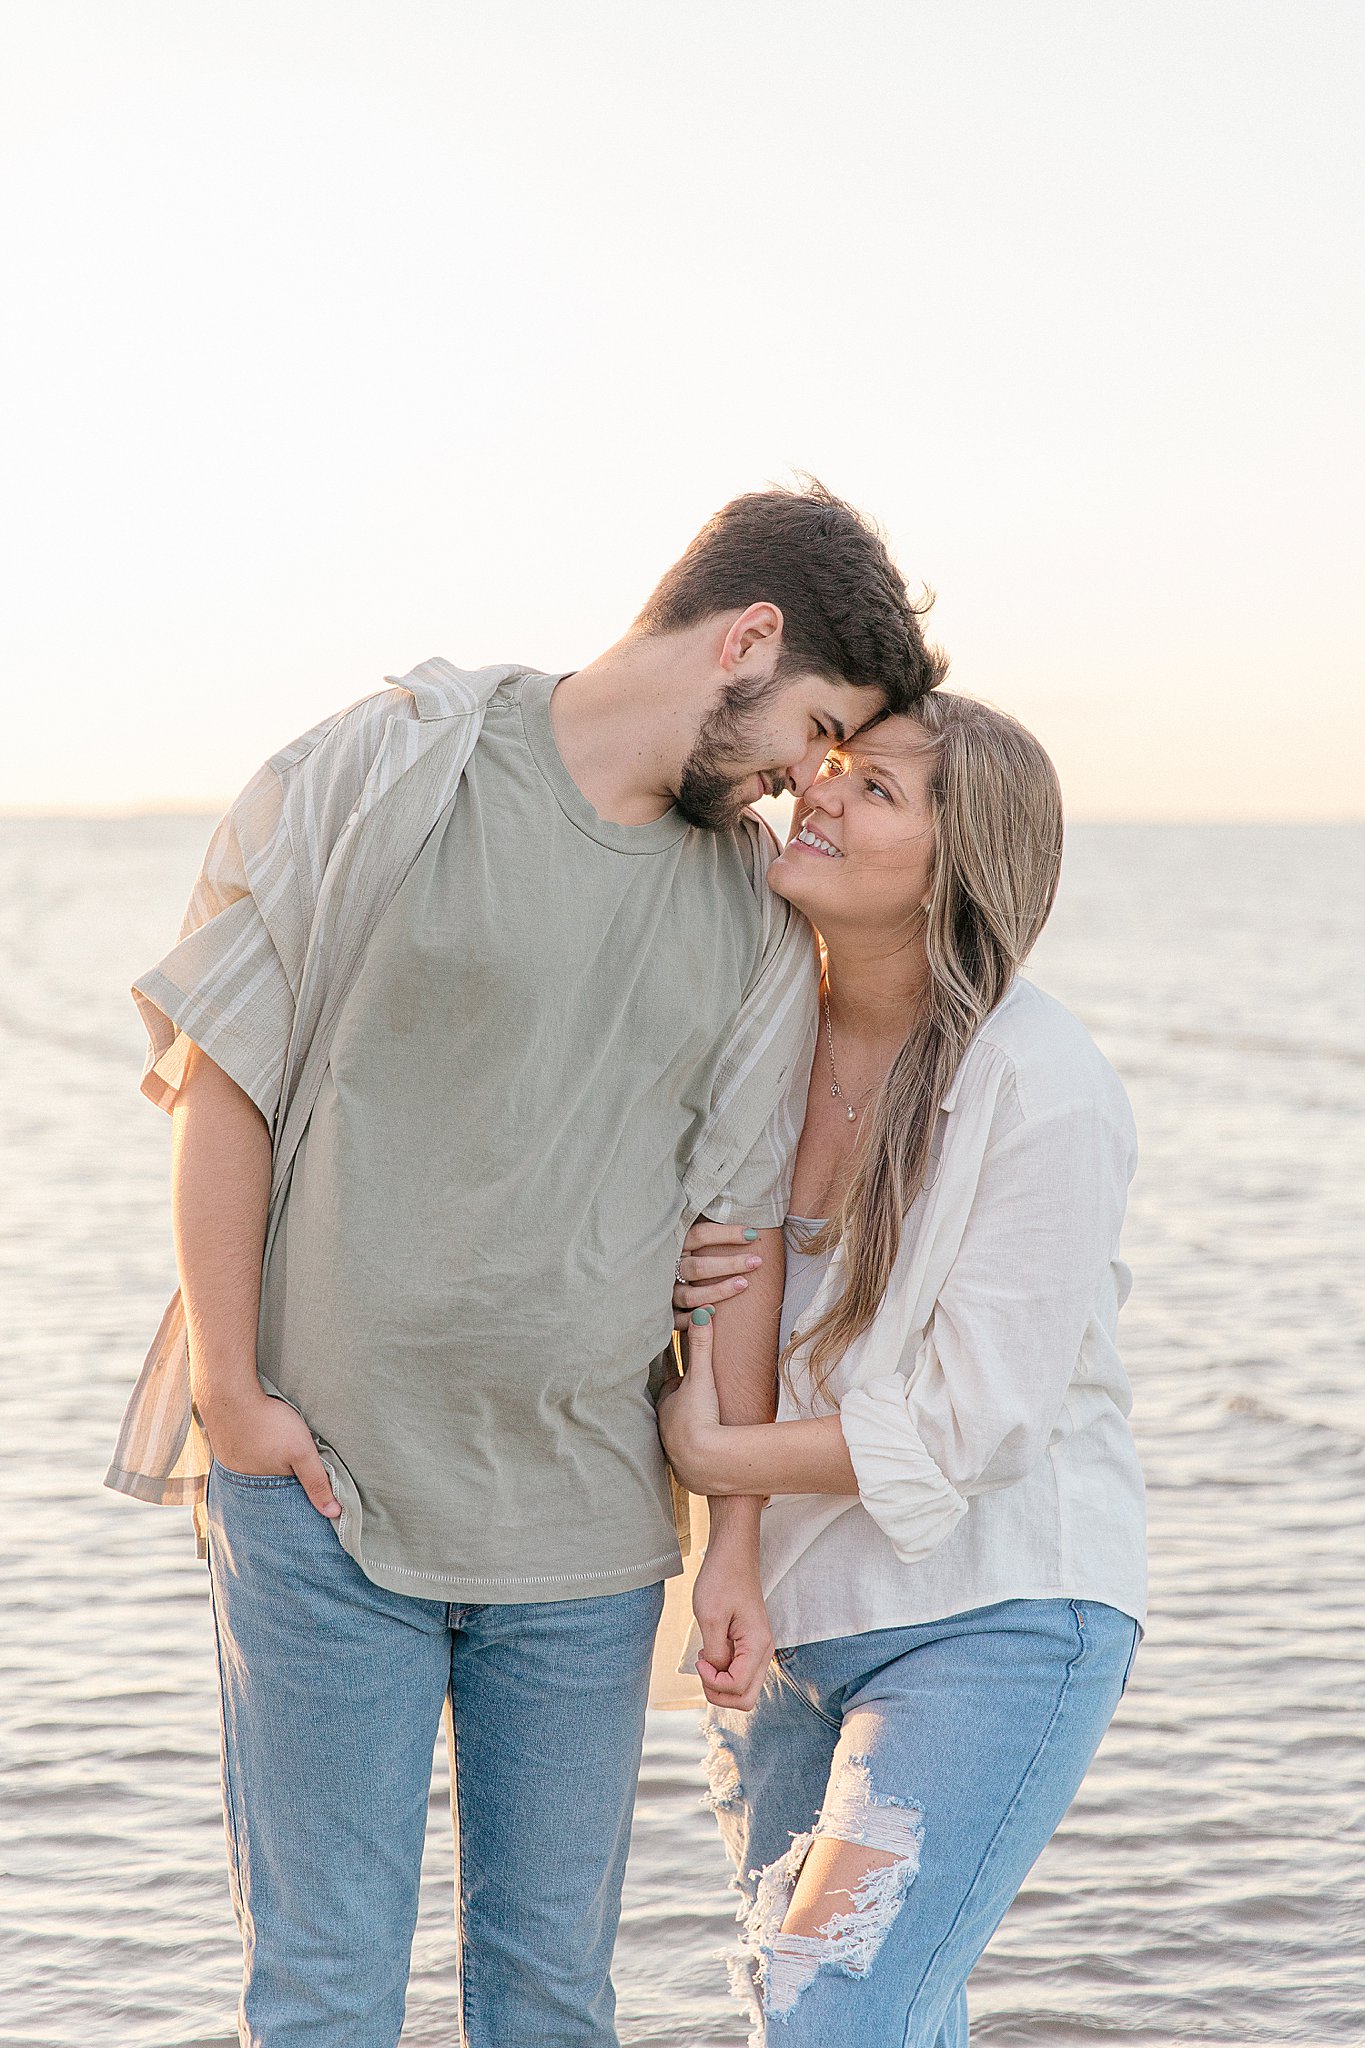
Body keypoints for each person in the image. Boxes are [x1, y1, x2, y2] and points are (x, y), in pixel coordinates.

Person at [104, 481, 946, 2047]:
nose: (797, 785)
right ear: (745, 640)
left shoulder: (750, 917)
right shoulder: (393, 762)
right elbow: (226, 1078)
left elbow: (738, 1246)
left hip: (583, 1531)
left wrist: (735, 1543)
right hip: (319, 1493)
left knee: (553, 2001)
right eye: (810, 730)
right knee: (320, 1993)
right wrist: (232, 1393)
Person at [659, 690, 1146, 2046]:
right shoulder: (759, 1041)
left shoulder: (1037, 1082)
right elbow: (732, 1325)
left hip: (994, 1611)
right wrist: (731, 1546)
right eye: (823, 770)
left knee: (834, 2006)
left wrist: (713, 1458)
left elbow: (975, 1422)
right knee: (814, 2008)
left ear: (958, 857)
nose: (815, 795)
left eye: (873, 789)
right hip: (796, 1613)